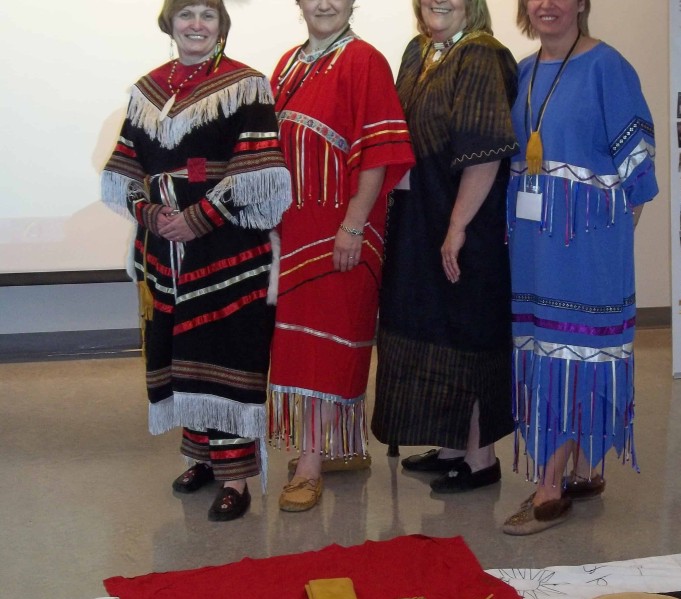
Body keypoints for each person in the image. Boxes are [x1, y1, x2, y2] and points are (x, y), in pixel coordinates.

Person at [100, 0, 291, 521]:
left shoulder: (246, 85)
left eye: (209, 15)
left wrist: (199, 218)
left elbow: (258, 173)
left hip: (227, 248)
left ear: (222, 26)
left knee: (226, 355)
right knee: (179, 349)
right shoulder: (147, 90)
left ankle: (236, 477)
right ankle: (203, 457)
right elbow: (124, 170)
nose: (197, 25)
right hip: (163, 250)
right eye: (187, 14)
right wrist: (150, 213)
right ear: (170, 23)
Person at [503, 0, 658, 535]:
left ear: (582, 4)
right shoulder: (523, 71)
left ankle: (550, 485)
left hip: (586, 248)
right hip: (532, 249)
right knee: (543, 352)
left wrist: (606, 242)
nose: (547, 4)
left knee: (573, 355)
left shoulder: (607, 67)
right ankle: (584, 466)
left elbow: (638, 170)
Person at [267, 0, 415, 512]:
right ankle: (340, 447)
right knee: (302, 344)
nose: (324, 3)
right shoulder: (288, 63)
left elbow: (377, 153)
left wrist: (353, 224)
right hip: (296, 231)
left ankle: (309, 466)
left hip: (343, 232)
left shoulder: (364, 60)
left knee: (331, 345)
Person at [372, 0, 519, 493]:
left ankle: (481, 459)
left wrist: (456, 227)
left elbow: (485, 154)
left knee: (468, 331)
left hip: (467, 224)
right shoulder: (418, 53)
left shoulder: (481, 55)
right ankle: (453, 446)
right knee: (434, 329)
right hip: (421, 219)